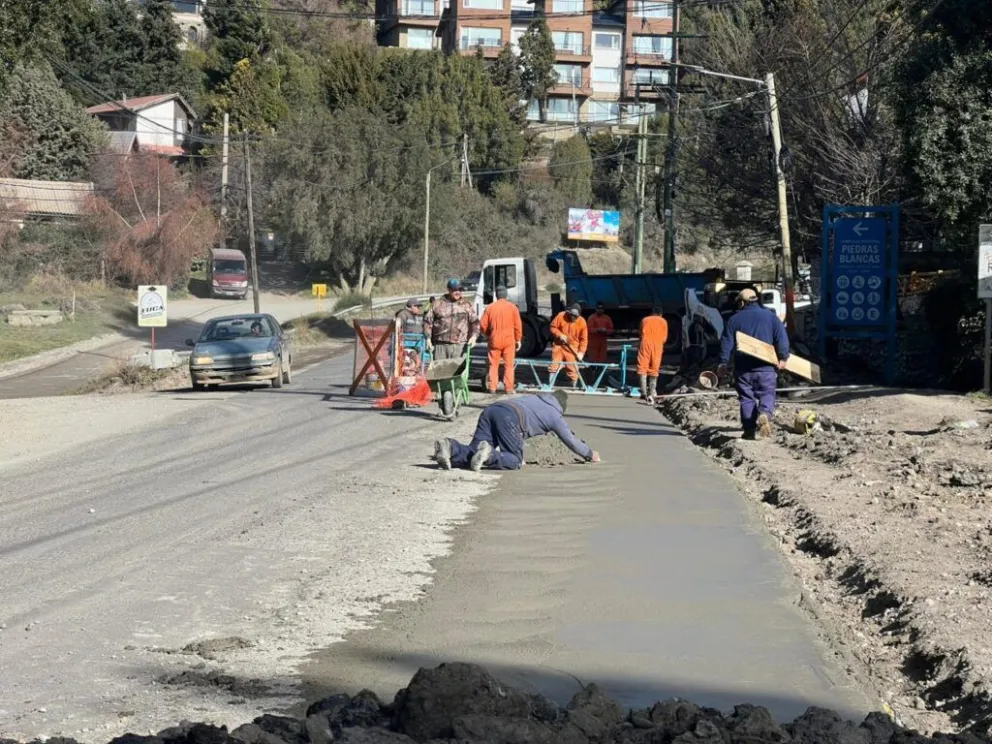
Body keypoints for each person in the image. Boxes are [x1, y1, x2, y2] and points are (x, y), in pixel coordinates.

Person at [432, 390, 600, 472]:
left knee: (472, 452)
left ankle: (450, 447)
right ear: (561, 408)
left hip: (492, 409)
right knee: (514, 460)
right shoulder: (555, 415)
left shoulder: (534, 398)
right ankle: (489, 455)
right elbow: (570, 439)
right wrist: (590, 454)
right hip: (510, 418)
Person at [717, 288, 789, 439]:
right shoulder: (771, 317)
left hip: (743, 368)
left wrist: (723, 362)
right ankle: (764, 413)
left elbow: (726, 342)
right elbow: (782, 338)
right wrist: (783, 358)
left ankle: (749, 431)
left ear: (742, 302)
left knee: (746, 398)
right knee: (767, 393)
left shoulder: (734, 319)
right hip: (766, 367)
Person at [423, 279, 480, 361]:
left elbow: (475, 322)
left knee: (458, 373)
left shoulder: (466, 305)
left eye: (460, 290)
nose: (458, 292)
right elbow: (427, 322)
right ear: (449, 290)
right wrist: (428, 338)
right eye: (454, 290)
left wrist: (474, 336)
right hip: (440, 346)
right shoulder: (437, 304)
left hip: (460, 346)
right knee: (440, 372)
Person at [479, 285, 522, 394]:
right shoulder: (513, 308)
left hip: (494, 339)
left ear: (496, 296)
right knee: (509, 365)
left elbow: (483, 326)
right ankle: (509, 388)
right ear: (506, 295)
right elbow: (518, 326)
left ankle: (492, 387)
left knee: (493, 365)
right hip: (509, 340)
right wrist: (518, 339)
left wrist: (489, 334)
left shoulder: (490, 308)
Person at [549, 303, 588, 386]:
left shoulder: (582, 322)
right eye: (571, 315)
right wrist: (559, 335)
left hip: (572, 349)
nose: (572, 317)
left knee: (572, 370)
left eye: (575, 316)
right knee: (554, 366)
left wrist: (581, 352)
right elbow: (553, 327)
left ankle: (574, 387)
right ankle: (550, 386)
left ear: (579, 315)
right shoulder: (561, 316)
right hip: (559, 346)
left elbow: (584, 340)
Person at [637, 306, 668, 403]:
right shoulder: (663, 321)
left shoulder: (645, 320)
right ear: (660, 314)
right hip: (657, 345)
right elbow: (664, 338)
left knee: (642, 366)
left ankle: (643, 392)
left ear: (652, 313)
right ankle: (653, 391)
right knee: (654, 368)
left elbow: (641, 333)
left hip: (645, 344)